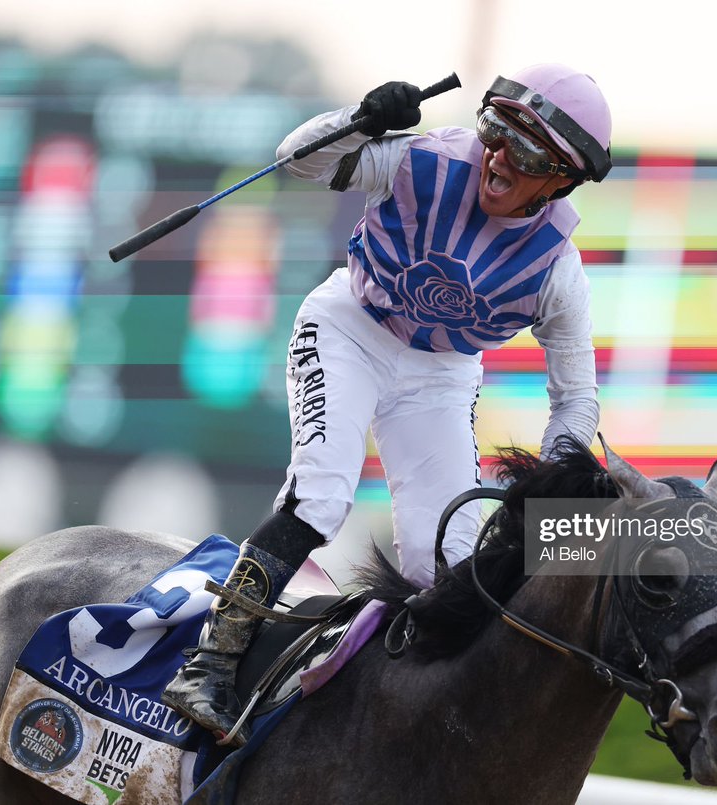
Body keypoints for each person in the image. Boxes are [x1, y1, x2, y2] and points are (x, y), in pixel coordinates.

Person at [162, 63, 613, 746]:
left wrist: (554, 480)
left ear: (562, 179)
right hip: (348, 327)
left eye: (524, 153)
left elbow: (576, 397)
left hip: (441, 374)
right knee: (321, 495)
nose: (497, 158)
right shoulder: (422, 160)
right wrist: (360, 119)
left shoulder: (558, 273)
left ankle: (409, 713)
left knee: (450, 559)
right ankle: (211, 662)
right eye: (497, 131)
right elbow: (297, 162)